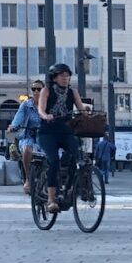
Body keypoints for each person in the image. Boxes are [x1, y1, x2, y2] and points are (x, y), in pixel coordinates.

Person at [36, 64, 86, 213]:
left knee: (74, 151)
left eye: (67, 75)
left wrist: (86, 113)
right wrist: (45, 116)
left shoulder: (73, 92)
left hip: (65, 131)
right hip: (48, 132)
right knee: (53, 161)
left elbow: (81, 108)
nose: (65, 78)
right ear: (54, 78)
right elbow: (41, 108)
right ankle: (51, 200)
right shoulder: (46, 90)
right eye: (62, 75)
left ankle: (67, 186)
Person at [8, 81, 45, 194]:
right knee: (27, 149)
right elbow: (18, 118)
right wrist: (13, 127)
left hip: (43, 137)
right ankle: (28, 178)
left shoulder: (47, 104)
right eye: (33, 89)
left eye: (39, 89)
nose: (36, 91)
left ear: (44, 90)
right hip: (28, 135)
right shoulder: (26, 105)